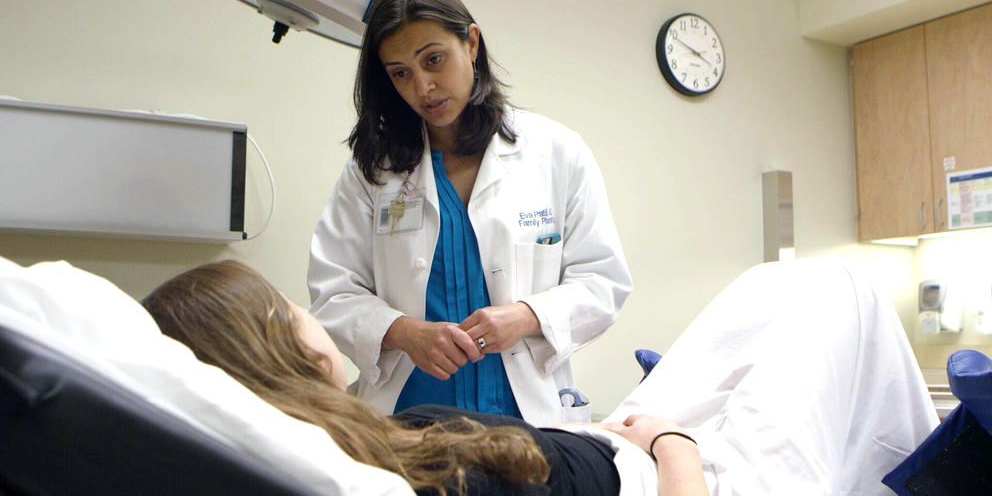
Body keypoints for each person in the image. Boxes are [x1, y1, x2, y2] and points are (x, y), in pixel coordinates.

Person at [144, 257, 938, 496]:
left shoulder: (367, 446)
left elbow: (600, 276)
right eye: (295, 308)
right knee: (843, 287)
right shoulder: (423, 480)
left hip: (610, 445)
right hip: (686, 476)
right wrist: (673, 446)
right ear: (287, 344)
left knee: (777, 287)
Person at [307, 0, 632, 426]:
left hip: (525, 418)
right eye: (400, 73)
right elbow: (333, 291)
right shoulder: (373, 170)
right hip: (408, 420)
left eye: (433, 60)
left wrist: (527, 316)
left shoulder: (556, 151)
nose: (423, 87)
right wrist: (403, 332)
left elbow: (603, 281)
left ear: (471, 43)